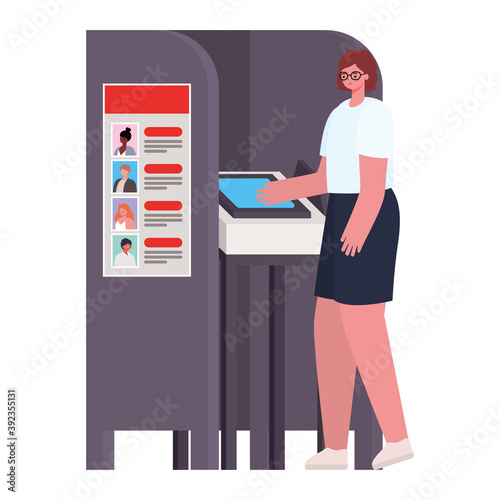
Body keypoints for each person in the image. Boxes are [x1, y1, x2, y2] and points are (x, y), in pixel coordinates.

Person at [256, 49, 413, 470]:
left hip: (371, 216)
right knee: (327, 330)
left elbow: (374, 183)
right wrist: (276, 192)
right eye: (346, 72)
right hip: (340, 213)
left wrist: (361, 225)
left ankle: (397, 439)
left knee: (366, 332)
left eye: (358, 72)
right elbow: (325, 178)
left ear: (370, 75)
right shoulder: (336, 115)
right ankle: (336, 448)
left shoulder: (376, 115)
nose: (352, 77)